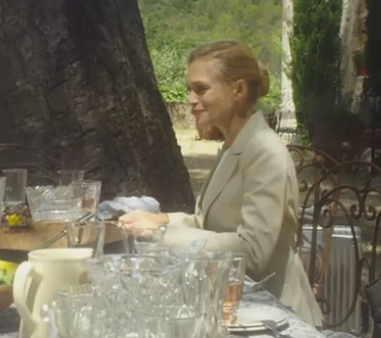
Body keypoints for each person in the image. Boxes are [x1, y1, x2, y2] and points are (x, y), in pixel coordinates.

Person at [119, 40, 323, 326]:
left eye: (201, 89)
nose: (190, 99)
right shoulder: (233, 146)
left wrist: (161, 236)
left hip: (276, 319)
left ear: (238, 90)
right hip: (235, 309)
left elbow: (251, 252)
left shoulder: (265, 150)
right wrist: (161, 219)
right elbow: (208, 225)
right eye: (191, 89)